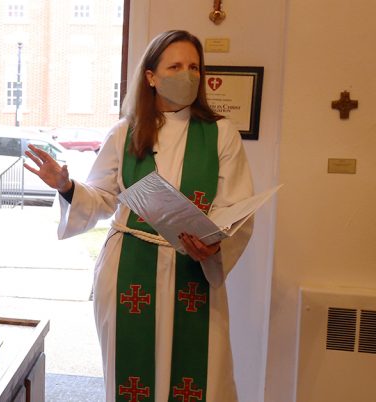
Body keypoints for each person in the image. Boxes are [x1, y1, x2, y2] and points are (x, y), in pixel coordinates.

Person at [25, 30, 253, 402]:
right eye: (175, 66)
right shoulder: (125, 133)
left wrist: (215, 244)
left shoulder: (220, 134)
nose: (187, 75)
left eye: (194, 67)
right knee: (131, 377)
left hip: (191, 270)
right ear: (151, 76)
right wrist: (67, 187)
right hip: (131, 265)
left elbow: (236, 207)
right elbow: (101, 198)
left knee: (202, 378)